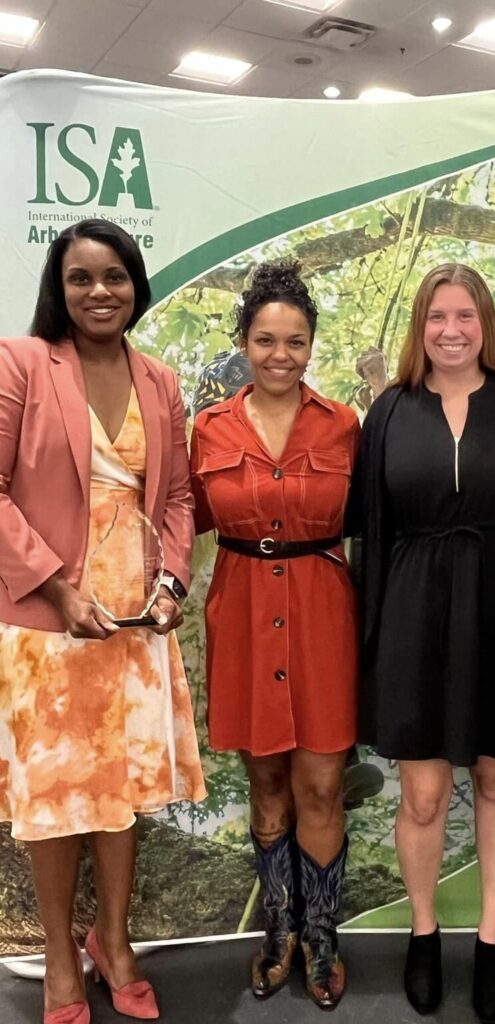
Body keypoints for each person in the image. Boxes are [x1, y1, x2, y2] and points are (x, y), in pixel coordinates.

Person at [0, 219, 206, 1024]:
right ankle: (58, 957)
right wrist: (56, 587)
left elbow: (182, 497)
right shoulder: (20, 364)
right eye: (81, 277)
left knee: (119, 796)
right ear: (59, 286)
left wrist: (172, 582)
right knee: (55, 801)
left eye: (115, 276)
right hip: (49, 625)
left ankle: (112, 942)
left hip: (133, 625)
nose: (99, 292)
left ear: (136, 285)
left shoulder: (159, 378)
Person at [351, 263, 495, 1023]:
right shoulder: (390, 413)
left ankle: (493, 939)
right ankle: (424, 930)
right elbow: (371, 533)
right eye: (437, 316)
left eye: (465, 315)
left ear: (485, 323)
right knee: (425, 792)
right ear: (420, 326)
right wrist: (372, 639)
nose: (450, 330)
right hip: (412, 612)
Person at [190, 260, 359, 1011]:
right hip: (245, 612)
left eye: (295, 340)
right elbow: (172, 518)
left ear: (311, 344)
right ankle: (279, 933)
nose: (280, 355)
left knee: (321, 782)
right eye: (265, 340)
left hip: (324, 613)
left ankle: (322, 934)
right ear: (245, 343)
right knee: (265, 781)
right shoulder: (209, 429)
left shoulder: (346, 424)